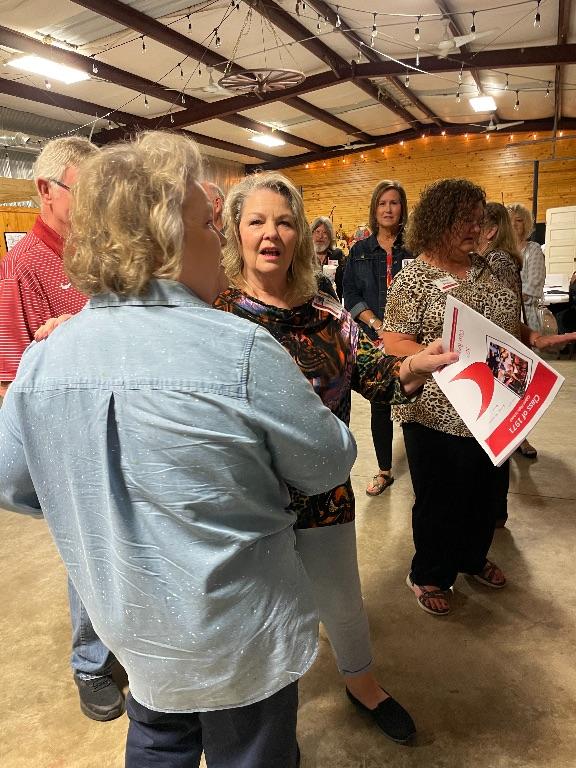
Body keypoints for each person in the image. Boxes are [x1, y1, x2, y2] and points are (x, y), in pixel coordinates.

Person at [0, 131, 359, 768]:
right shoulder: (242, 350)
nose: (219, 240)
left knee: (158, 737)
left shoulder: (47, 357)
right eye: (207, 223)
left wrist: (96, 502)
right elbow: (328, 462)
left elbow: (11, 481)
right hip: (237, 635)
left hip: (135, 631)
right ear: (164, 236)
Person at [215, 171, 457, 741]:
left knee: (343, 602)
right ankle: (258, 712)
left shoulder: (328, 315)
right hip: (244, 503)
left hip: (323, 495)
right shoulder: (212, 314)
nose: (271, 233)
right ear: (235, 232)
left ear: (300, 233)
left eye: (283, 221)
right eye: (256, 221)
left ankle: (361, 684)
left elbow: (374, 375)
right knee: (256, 614)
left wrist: (412, 367)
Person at [383, 179, 575, 616]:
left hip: (494, 412)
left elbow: (506, 323)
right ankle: (429, 573)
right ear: (437, 220)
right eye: (463, 220)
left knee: (485, 494)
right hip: (435, 413)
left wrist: (533, 338)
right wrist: (439, 359)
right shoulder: (414, 278)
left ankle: (471, 558)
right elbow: (393, 343)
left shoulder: (491, 268)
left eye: (478, 219)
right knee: (439, 499)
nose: (474, 228)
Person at [0, 136, 124, 721]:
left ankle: (116, 644)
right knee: (85, 553)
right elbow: (12, 377)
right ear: (46, 191)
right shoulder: (23, 266)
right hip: (66, 437)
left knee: (118, 547)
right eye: (86, 187)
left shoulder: (98, 251)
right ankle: (91, 664)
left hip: (114, 423)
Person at [342, 180, 412, 496]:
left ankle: (423, 465)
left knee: (415, 399)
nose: (387, 208)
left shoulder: (415, 249)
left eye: (394, 202)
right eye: (382, 203)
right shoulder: (358, 251)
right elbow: (351, 294)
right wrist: (377, 323)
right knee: (380, 402)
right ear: (374, 209)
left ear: (402, 209)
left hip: (412, 338)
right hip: (374, 339)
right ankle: (385, 469)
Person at [507, 202, 547, 458]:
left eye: (519, 220)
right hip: (504, 321)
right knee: (506, 379)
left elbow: (532, 287)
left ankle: (523, 437)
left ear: (527, 224)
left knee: (525, 382)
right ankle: (505, 434)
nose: (514, 224)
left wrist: (503, 294)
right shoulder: (499, 251)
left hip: (526, 319)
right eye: (509, 219)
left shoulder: (533, 251)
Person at [310, 216, 346, 299]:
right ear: (311, 234)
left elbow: (345, 284)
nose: (320, 236)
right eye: (317, 231)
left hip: (334, 305)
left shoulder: (337, 255)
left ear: (330, 236)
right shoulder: (305, 256)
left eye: (325, 232)